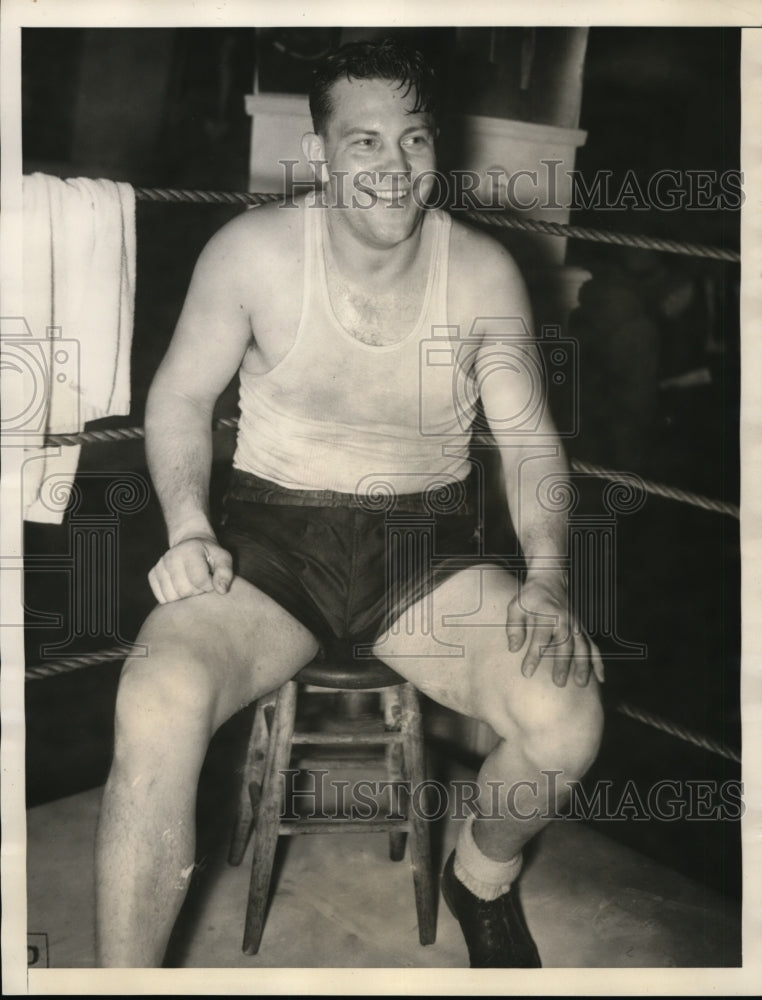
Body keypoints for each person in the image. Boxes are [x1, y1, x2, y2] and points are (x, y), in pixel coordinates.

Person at [95, 38, 604, 968]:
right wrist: (190, 526)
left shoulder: (483, 272)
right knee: (155, 702)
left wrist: (548, 575)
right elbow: (177, 397)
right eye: (363, 142)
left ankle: (482, 879)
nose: (393, 169)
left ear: (436, 148)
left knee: (567, 716)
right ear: (322, 152)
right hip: (268, 542)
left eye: (413, 141)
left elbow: (532, 441)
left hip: (425, 548)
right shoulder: (252, 252)